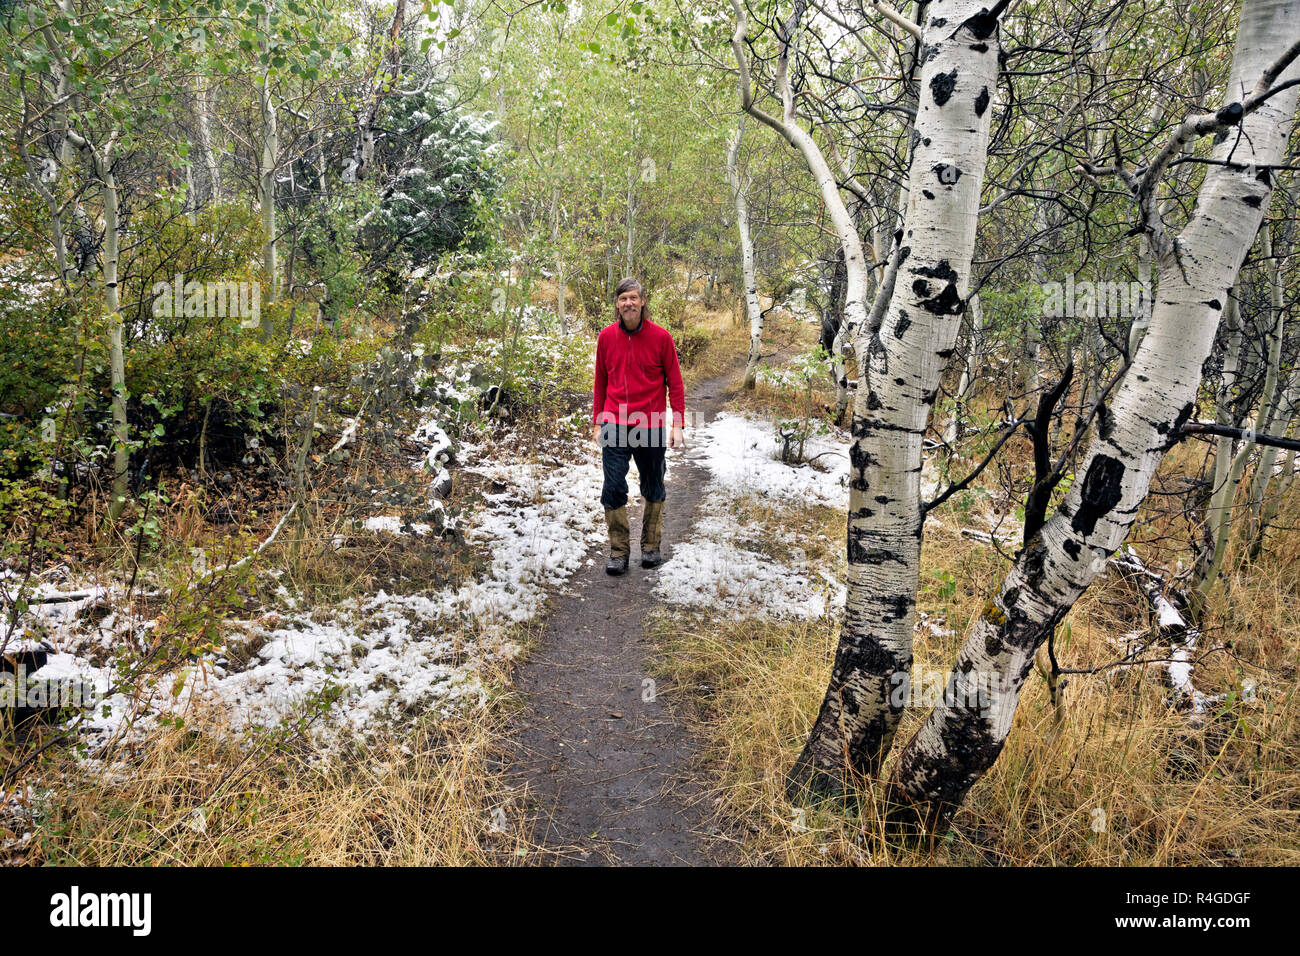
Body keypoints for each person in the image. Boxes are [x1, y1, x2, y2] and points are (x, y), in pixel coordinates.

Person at [591, 277, 686, 575]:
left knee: (653, 485)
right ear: (617, 305)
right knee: (613, 486)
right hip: (615, 423)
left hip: (651, 423)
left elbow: (676, 382)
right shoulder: (606, 337)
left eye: (633, 298)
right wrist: (597, 420)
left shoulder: (661, 338)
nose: (628, 303)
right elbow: (600, 383)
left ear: (642, 301)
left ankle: (651, 546)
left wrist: (678, 423)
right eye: (623, 299)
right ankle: (619, 551)